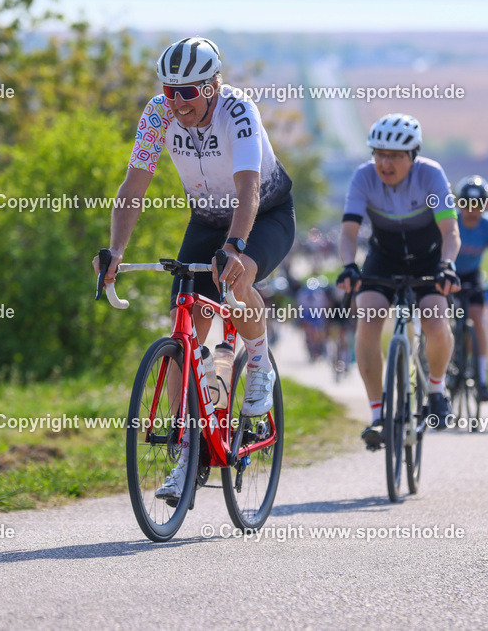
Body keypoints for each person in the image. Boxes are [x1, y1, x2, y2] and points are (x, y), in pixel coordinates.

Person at [93, 37, 295, 500]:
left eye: (188, 92)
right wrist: (115, 251)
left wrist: (236, 247)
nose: (177, 102)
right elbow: (134, 186)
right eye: (170, 91)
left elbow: (249, 191)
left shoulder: (238, 112)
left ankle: (259, 364)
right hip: (205, 218)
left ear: (213, 85)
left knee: (238, 273)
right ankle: (189, 452)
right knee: (185, 329)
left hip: (264, 213)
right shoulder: (157, 113)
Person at [335, 113, 461, 448]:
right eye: (378, 154)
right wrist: (349, 265)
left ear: (412, 157)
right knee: (369, 318)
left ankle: (436, 389)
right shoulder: (364, 177)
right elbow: (348, 233)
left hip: (429, 258)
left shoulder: (431, 175)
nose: (384, 163)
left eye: (393, 156)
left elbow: (450, 232)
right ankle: (378, 415)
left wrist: (447, 265)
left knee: (435, 320)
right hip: (384, 259)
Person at [453, 175, 488, 402]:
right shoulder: (451, 223)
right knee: (443, 318)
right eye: (466, 204)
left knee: (477, 319)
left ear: (485, 205)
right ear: (459, 204)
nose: (472, 210)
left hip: (473, 276)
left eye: (477, 205)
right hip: (450, 275)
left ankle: (482, 377)